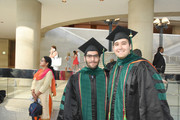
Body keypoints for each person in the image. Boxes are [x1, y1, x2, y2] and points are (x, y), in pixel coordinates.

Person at [106, 26, 173, 120]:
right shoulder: (114, 69)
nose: (120, 47)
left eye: (124, 43)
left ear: (130, 46)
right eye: (116, 44)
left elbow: (152, 102)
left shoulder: (141, 66)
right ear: (113, 48)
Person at [57, 37, 107, 120]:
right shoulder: (75, 79)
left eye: (95, 56)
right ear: (84, 58)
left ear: (99, 58)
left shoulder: (106, 76)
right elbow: (68, 105)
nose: (92, 59)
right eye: (89, 56)